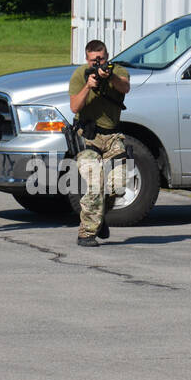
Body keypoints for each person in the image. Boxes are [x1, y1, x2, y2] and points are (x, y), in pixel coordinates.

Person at [68, 39, 131, 246]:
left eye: (102, 59)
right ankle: (86, 233)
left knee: (119, 186)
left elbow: (125, 87)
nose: (98, 63)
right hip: (88, 136)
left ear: (107, 57)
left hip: (112, 136)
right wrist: (88, 86)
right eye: (94, 60)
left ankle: (99, 214)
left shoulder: (118, 71)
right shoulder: (80, 75)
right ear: (87, 60)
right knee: (96, 184)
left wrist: (110, 76)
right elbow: (75, 107)